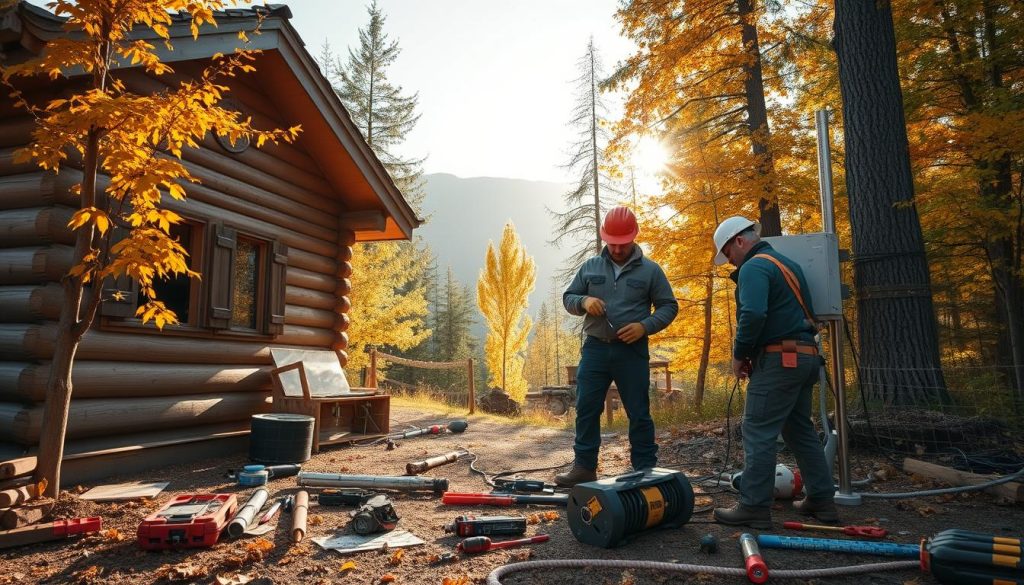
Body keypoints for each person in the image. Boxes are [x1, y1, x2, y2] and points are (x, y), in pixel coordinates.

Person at [711, 216, 838, 528]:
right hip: (805, 357)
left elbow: (754, 314)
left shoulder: (754, 267)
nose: (730, 261)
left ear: (739, 241)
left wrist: (740, 354)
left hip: (780, 361)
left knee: (757, 431)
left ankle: (754, 505)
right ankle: (822, 499)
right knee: (799, 430)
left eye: (728, 253)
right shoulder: (786, 264)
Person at [555, 206, 679, 487]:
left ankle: (645, 469)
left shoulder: (651, 271)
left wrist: (644, 326)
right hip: (595, 349)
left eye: (622, 244)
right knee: (587, 407)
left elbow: (669, 306)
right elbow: (569, 297)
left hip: (632, 351)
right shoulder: (589, 267)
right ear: (604, 238)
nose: (618, 249)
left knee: (638, 410)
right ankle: (584, 467)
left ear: (633, 238)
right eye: (612, 243)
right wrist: (584, 302)